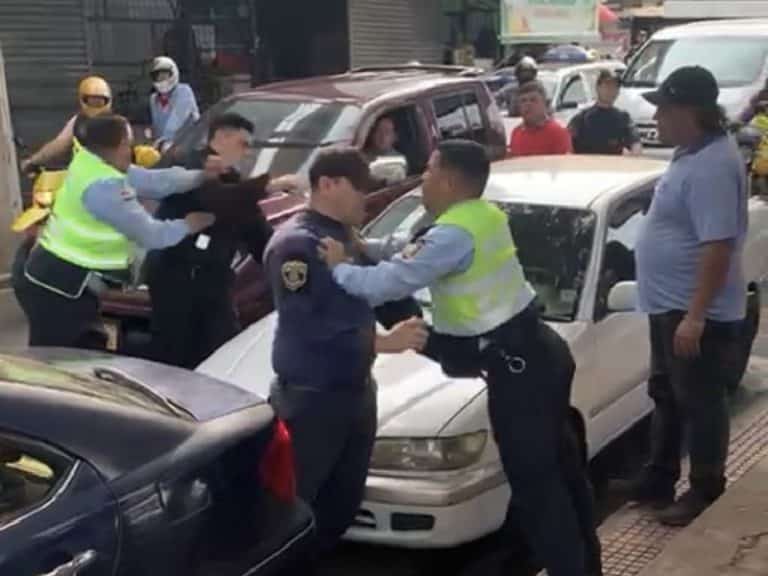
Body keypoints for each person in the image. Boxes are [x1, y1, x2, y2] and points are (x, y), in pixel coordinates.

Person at [318, 140, 603, 576]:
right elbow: (406, 249)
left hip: (519, 372)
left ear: (449, 179)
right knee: (564, 478)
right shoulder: (478, 216)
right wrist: (365, 247)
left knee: (539, 496)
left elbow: (386, 284)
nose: (422, 180)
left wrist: (339, 266)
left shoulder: (453, 232)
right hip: (537, 356)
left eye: (429, 171)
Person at [264, 147, 429, 560]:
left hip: (354, 391)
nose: (365, 199)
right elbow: (307, 324)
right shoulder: (298, 245)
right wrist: (381, 342)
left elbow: (379, 292)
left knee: (341, 504)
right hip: (313, 397)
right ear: (328, 184)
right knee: (293, 508)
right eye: (359, 190)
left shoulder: (344, 239)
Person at [627, 66, 747, 527]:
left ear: (690, 112)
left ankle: (704, 488)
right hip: (669, 304)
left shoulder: (715, 164)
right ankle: (658, 479)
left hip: (695, 310)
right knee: (667, 394)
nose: (656, 116)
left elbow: (718, 245)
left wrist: (696, 316)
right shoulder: (691, 153)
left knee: (700, 400)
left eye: (664, 108)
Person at [12, 114, 219, 349]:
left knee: (72, 353)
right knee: (70, 361)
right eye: (128, 144)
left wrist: (201, 176)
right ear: (120, 145)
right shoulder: (104, 188)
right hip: (58, 288)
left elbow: (153, 181)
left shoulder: (92, 162)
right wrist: (190, 224)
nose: (130, 150)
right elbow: (151, 235)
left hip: (50, 275)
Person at [146, 113, 277, 368]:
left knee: (222, 354)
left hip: (214, 284)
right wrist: (269, 185)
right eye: (243, 144)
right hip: (176, 280)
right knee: (174, 358)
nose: (246, 153)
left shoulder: (235, 184)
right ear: (221, 138)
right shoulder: (189, 167)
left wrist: (285, 263)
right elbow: (216, 199)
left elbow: (258, 234)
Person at [20, 76, 112, 172]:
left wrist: (33, 161)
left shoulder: (79, 121)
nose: (95, 104)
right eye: (92, 100)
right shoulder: (120, 124)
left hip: (85, 179)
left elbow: (59, 146)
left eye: (99, 101)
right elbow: (58, 146)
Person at [569, 69, 642, 155]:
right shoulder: (582, 119)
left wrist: (633, 158)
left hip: (615, 166)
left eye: (615, 87)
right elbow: (567, 145)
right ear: (598, 88)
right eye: (607, 86)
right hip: (587, 166)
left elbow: (636, 144)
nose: (611, 90)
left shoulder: (624, 118)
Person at [509, 81, 573, 157]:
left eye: (533, 100)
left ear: (544, 104)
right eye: (523, 101)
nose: (527, 104)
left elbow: (564, 165)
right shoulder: (516, 133)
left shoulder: (557, 133)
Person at [149, 56, 200, 148]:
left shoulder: (184, 91)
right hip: (166, 148)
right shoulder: (154, 99)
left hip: (190, 147)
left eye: (164, 75)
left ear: (174, 73)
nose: (161, 80)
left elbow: (177, 119)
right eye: (158, 77)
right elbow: (157, 126)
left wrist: (163, 141)